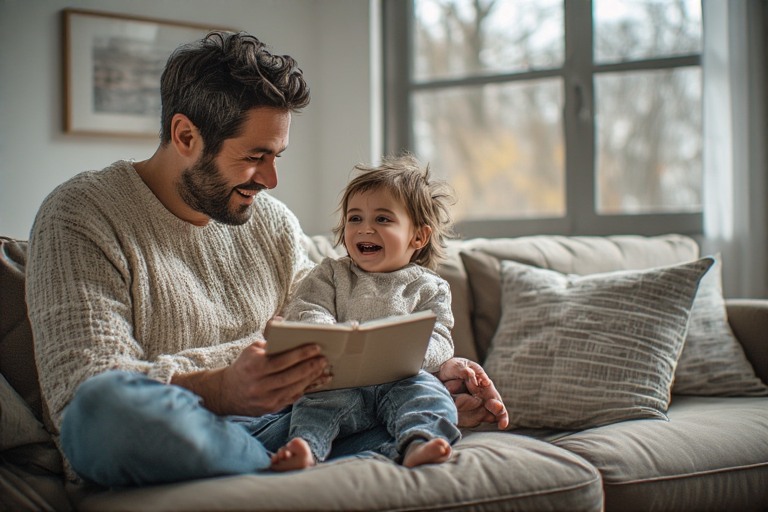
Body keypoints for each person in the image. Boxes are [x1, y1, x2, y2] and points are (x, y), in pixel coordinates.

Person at [25, 31, 508, 488]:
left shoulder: (272, 221)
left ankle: (370, 444)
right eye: (256, 155)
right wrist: (221, 389)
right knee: (105, 410)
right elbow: (82, 392)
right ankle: (311, 465)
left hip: (293, 425)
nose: (271, 179)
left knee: (404, 403)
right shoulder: (81, 214)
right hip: (181, 428)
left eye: (277, 155)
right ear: (186, 135)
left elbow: (334, 337)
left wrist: (424, 377)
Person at [270, 155, 470, 471]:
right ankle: (306, 446)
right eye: (355, 218)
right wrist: (330, 336)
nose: (365, 229)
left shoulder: (430, 287)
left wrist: (413, 353)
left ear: (418, 236)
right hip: (341, 381)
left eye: (382, 219)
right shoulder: (330, 274)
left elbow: (441, 337)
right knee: (315, 401)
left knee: (430, 395)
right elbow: (308, 308)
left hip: (400, 379)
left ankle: (420, 442)